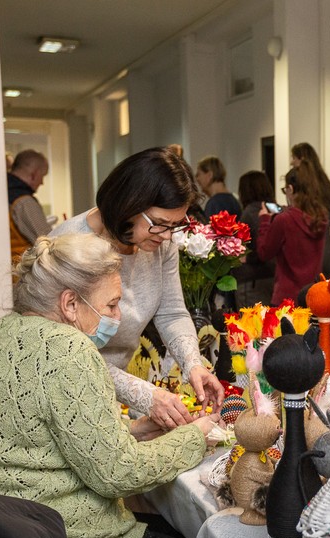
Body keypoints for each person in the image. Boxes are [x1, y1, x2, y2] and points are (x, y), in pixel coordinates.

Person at [0, 233, 220, 538]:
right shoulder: (69, 348)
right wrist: (196, 435)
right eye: (112, 305)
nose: (118, 317)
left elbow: (41, 438)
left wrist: (134, 430)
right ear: (70, 303)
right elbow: (118, 474)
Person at [52, 147, 225, 429]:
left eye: (175, 225)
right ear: (128, 204)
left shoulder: (160, 242)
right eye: (159, 223)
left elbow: (171, 312)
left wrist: (193, 364)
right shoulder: (70, 246)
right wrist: (145, 395)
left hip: (108, 393)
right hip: (65, 394)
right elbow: (67, 354)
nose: (167, 236)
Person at [257, 162, 329, 305]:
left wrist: (265, 221)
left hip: (285, 298)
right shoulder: (321, 217)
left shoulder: (284, 220)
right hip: (312, 296)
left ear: (291, 188)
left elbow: (264, 252)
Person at [291, 142, 330, 278]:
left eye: (293, 158)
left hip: (305, 257)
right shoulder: (328, 186)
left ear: (301, 159)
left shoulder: (300, 188)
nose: (291, 162)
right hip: (326, 254)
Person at [233, 170, 277, 307]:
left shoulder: (249, 212)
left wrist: (248, 257)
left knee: (252, 319)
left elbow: (257, 248)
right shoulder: (276, 210)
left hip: (252, 280)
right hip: (274, 276)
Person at [8, 149, 51, 262]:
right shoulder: (24, 202)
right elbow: (47, 242)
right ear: (34, 174)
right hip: (21, 268)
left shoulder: (4, 193)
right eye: (42, 176)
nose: (42, 182)